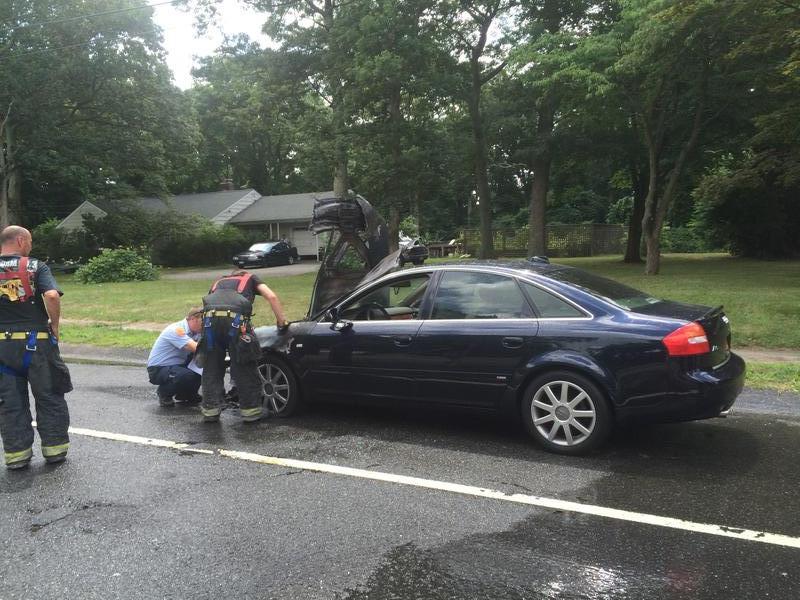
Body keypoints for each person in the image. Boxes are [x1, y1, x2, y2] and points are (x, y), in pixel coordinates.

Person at [0, 226, 72, 470]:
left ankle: (17, 455)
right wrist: (55, 325)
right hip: (36, 344)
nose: (30, 246)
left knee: (9, 402)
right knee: (49, 395)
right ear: (20, 240)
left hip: (2, 350)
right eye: (29, 241)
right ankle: (54, 450)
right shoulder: (35, 266)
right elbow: (52, 295)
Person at [197, 270, 288, 423]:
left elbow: (209, 306)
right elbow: (271, 296)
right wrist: (281, 322)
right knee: (244, 364)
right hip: (236, 325)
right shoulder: (250, 278)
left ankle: (210, 411)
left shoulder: (218, 282)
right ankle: (251, 411)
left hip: (209, 325)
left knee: (211, 366)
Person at [146, 307, 204, 407]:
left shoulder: (197, 332)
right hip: (159, 369)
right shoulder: (176, 330)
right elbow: (195, 347)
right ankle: (164, 393)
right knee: (186, 375)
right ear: (194, 319)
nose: (205, 326)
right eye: (203, 322)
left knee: (201, 367)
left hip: (178, 365)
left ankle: (186, 395)